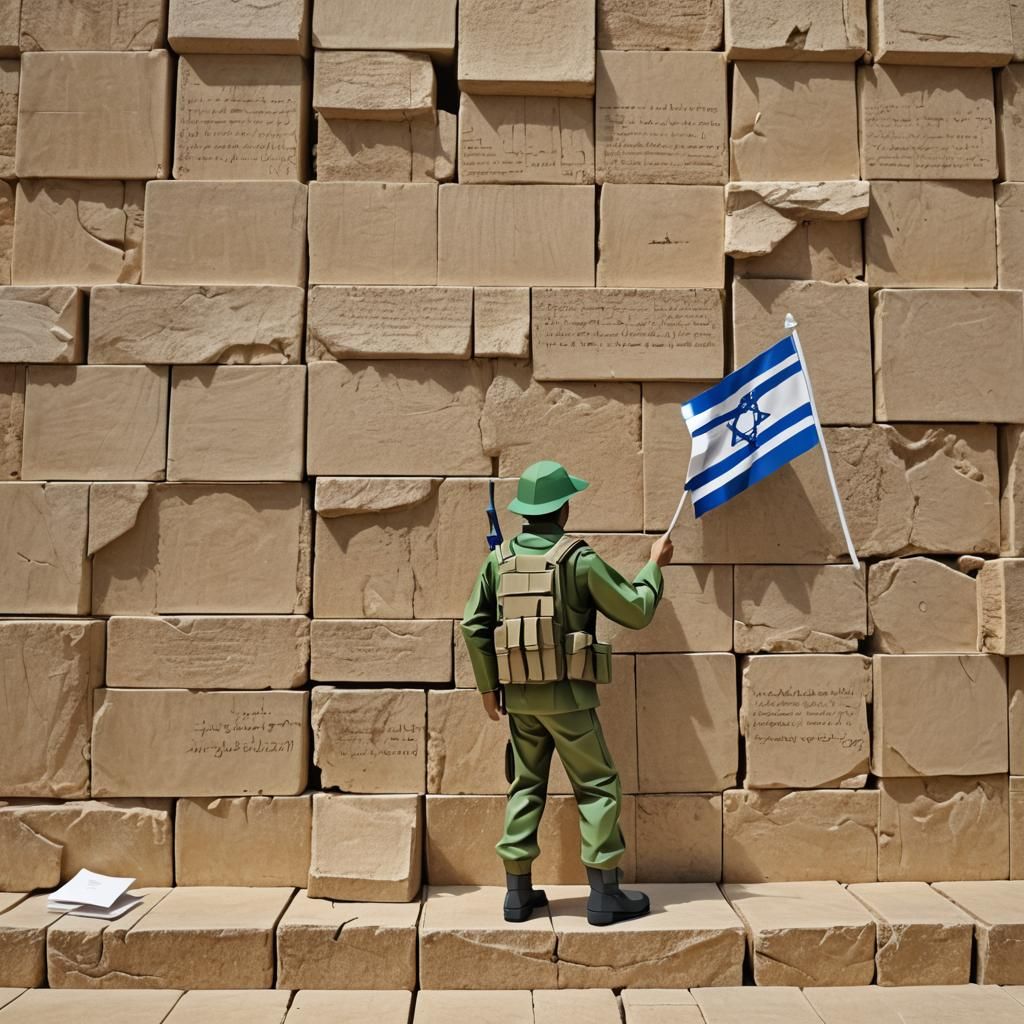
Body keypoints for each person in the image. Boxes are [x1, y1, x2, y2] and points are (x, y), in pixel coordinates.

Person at [460, 460, 673, 926]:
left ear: (525, 512)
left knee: (525, 785)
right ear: (564, 509)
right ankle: (604, 895)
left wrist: (487, 687)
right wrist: (655, 566)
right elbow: (636, 610)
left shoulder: (498, 561)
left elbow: (473, 624)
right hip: (570, 700)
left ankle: (517, 896)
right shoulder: (578, 559)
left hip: (518, 699)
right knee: (597, 787)